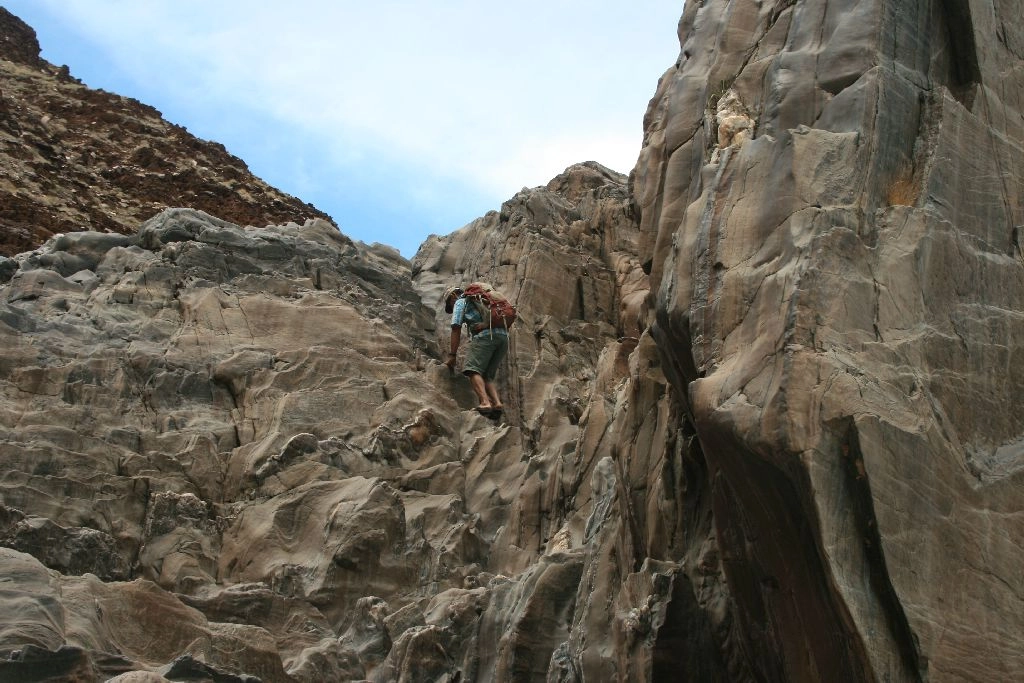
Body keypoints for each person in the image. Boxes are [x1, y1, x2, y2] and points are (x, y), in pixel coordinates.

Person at [441, 284, 508, 417]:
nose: (452, 307)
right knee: (487, 375)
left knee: (472, 369)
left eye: (450, 304)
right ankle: (497, 403)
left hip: (485, 336)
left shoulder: (461, 301)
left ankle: (484, 402)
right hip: (503, 337)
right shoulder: (480, 299)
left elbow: (456, 327)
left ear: (453, 296)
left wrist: (452, 354)